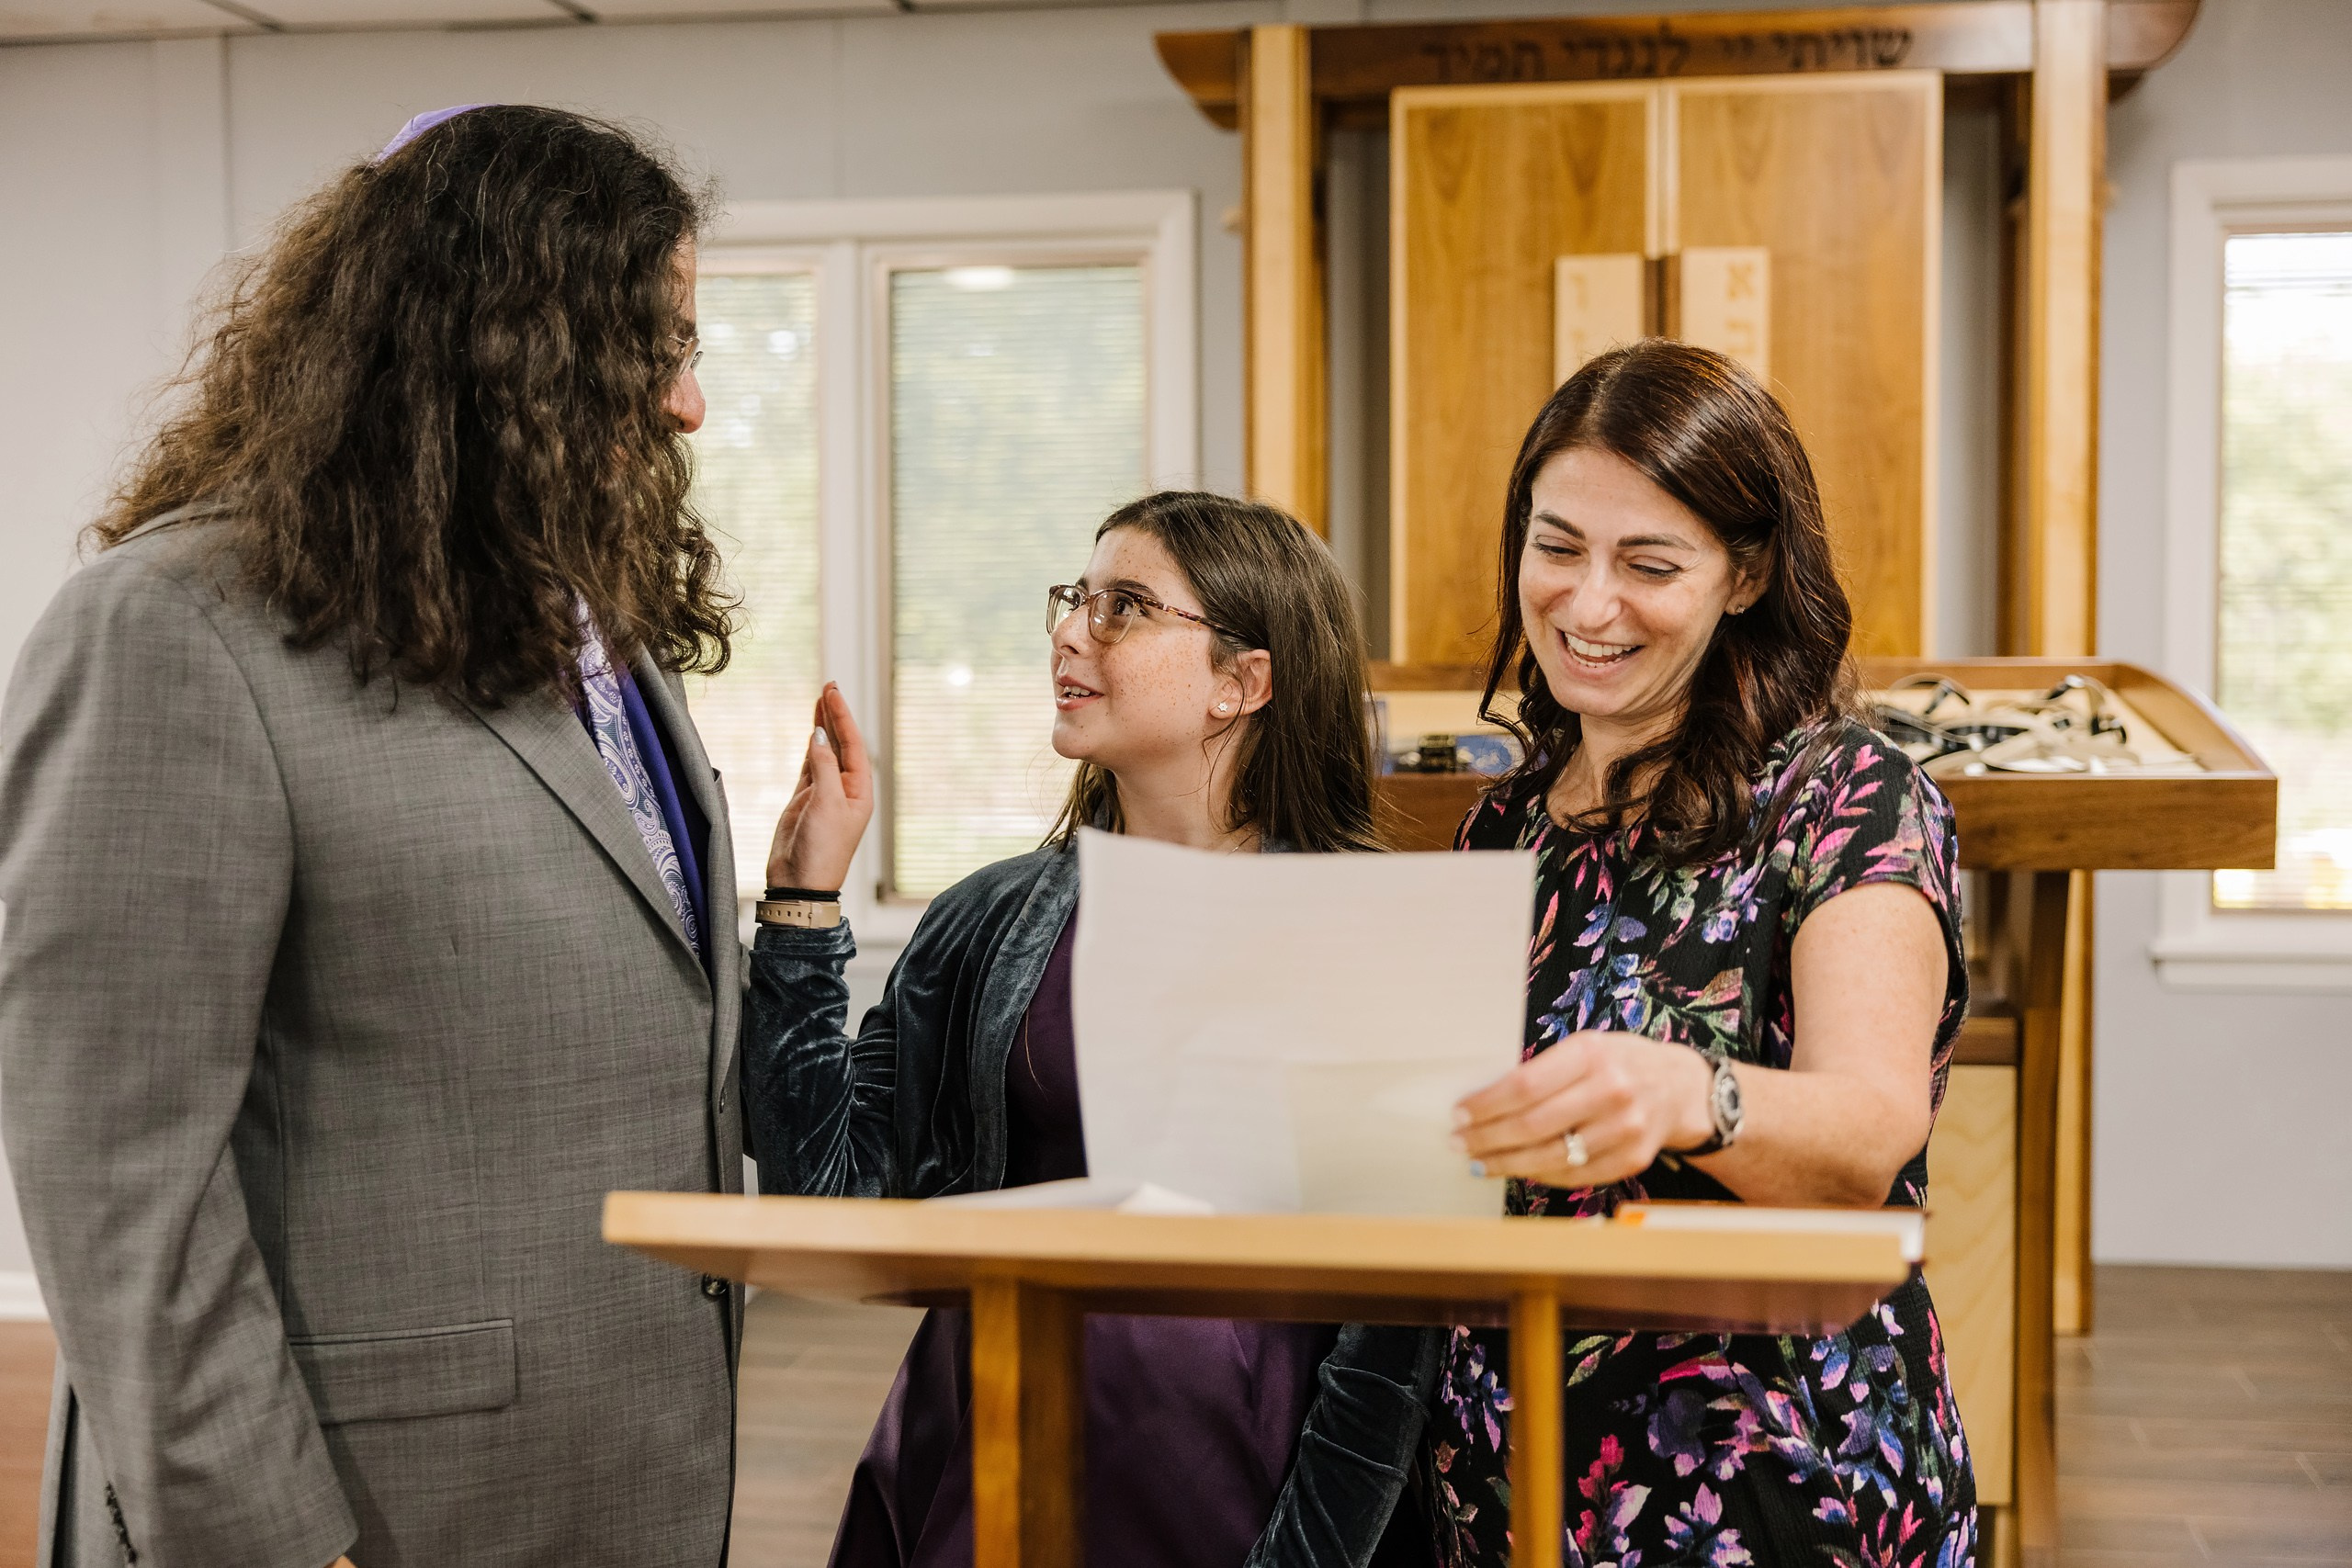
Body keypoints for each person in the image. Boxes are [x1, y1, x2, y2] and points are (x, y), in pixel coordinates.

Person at [0, 107, 755, 1567]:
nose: (685, 408)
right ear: (502, 343)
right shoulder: (176, 630)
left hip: (621, 1482)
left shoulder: (592, 628)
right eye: (652, 349)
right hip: (357, 1519)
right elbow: (116, 1176)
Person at [744, 491, 1439, 1568]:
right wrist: (801, 908)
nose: (1071, 631)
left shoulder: (1372, 936)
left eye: (1124, 607)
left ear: (1240, 683)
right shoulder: (991, 916)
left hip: (1246, 1494)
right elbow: (820, 1192)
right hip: (981, 1468)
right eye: (1076, 599)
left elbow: (1396, 1336)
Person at [1431, 341, 1976, 1564]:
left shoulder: (1851, 797)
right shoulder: (1505, 818)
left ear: (1746, 575)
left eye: (1650, 563)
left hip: (1766, 1477)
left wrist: (1694, 1091)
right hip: (1504, 1465)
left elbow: (1869, 1130)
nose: (1586, 602)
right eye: (1557, 545)